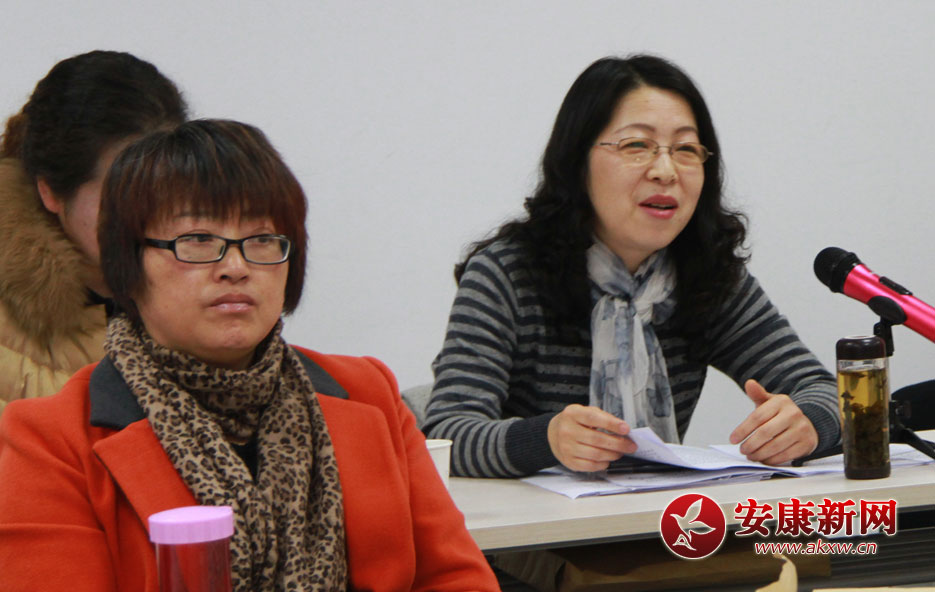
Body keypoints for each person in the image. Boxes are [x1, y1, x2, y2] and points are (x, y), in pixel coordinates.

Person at [0, 119, 498, 592]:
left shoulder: (367, 392)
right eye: (198, 240)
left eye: (261, 240)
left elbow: (456, 578)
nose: (235, 266)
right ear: (128, 262)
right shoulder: (51, 440)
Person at [424, 54, 841, 478]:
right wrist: (547, 439)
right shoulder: (507, 274)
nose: (665, 171)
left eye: (685, 149)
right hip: (532, 520)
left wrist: (808, 424)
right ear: (577, 161)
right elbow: (446, 435)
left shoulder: (704, 274)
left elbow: (830, 394)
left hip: (655, 513)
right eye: (636, 146)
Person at [0, 50, 186, 414]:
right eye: (122, 194)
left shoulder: (212, 285)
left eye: (169, 191)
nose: (151, 215)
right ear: (51, 192)